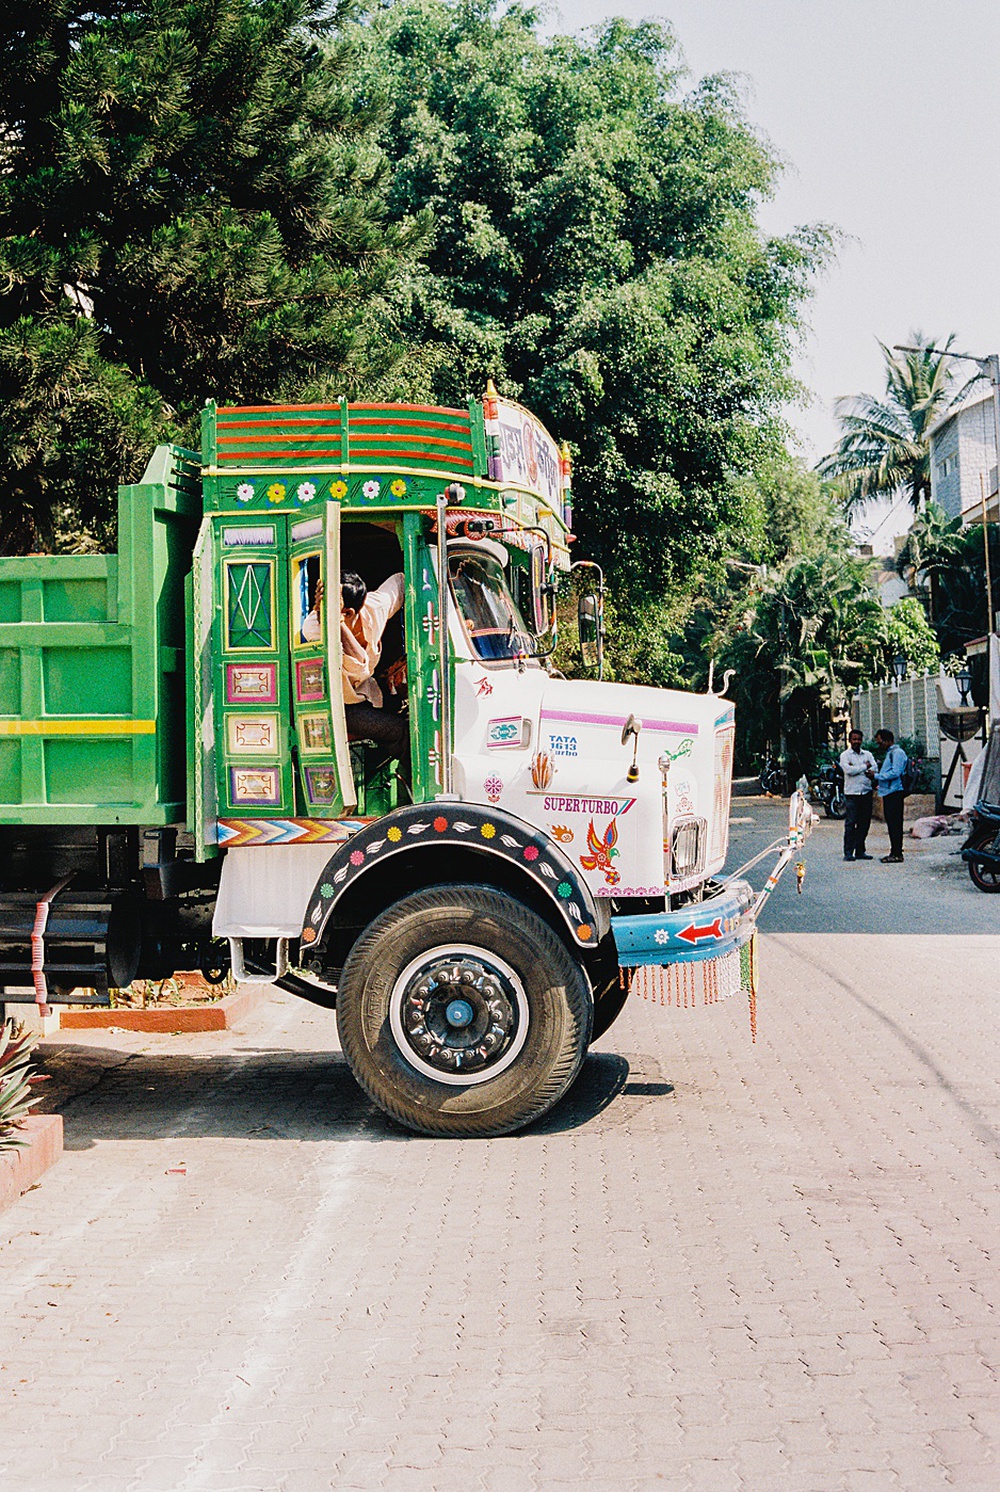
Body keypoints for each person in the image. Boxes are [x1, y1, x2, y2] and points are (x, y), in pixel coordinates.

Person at [339, 570, 408, 756]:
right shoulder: (315, 627)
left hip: (368, 694)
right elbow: (360, 664)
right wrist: (339, 624)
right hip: (339, 706)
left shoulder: (374, 607)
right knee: (400, 730)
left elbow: (401, 581)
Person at [839, 728, 877, 861]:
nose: (857, 741)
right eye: (854, 739)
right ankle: (848, 852)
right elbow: (848, 771)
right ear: (849, 740)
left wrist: (860, 768)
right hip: (852, 793)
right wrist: (864, 767)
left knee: (864, 823)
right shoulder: (845, 755)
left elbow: (874, 768)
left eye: (859, 739)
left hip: (865, 792)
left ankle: (860, 851)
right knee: (851, 823)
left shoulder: (867, 754)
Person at [875, 727, 908, 863]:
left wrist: (877, 776)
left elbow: (896, 772)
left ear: (888, 741)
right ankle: (895, 851)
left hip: (894, 791)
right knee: (892, 823)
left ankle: (897, 853)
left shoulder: (897, 753)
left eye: (880, 742)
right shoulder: (891, 753)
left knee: (895, 824)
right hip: (889, 792)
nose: (879, 745)